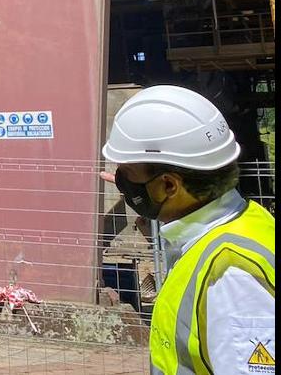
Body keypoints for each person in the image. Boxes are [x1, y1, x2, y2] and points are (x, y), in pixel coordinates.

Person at [101, 85, 274, 375]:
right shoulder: (246, 220)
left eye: (128, 176)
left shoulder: (231, 276)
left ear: (169, 185)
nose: (123, 185)